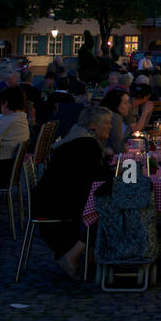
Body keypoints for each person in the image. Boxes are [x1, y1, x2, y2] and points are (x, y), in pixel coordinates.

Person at [34, 106, 114, 277]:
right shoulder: (86, 144)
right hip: (57, 206)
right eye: (107, 123)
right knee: (109, 207)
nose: (110, 126)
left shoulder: (79, 137)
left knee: (105, 203)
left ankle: (91, 257)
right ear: (93, 126)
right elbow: (100, 176)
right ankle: (75, 254)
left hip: (52, 199)